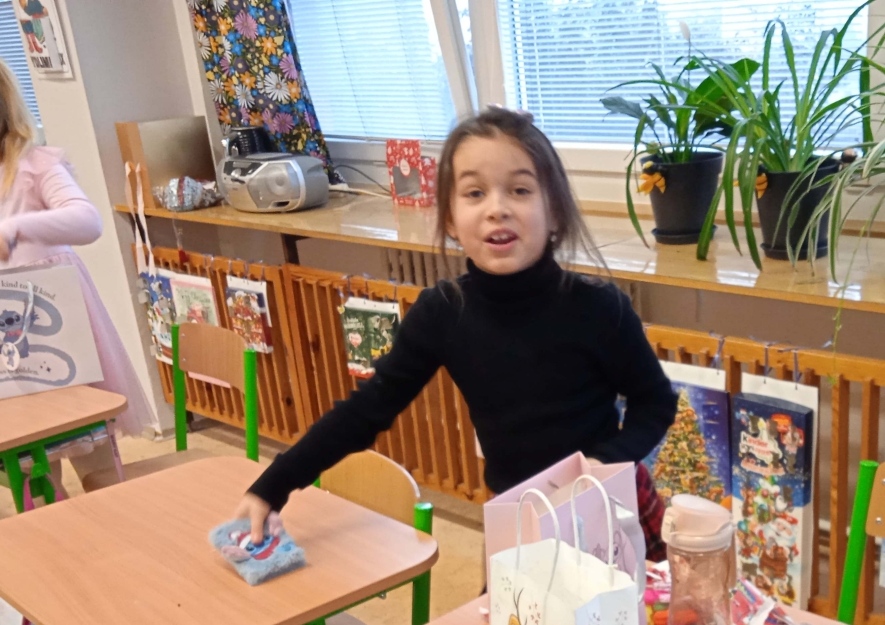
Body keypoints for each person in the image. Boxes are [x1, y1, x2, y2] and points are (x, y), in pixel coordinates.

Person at [236, 106, 677, 550]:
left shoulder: (600, 307)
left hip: (607, 501)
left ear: (556, 211)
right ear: (449, 219)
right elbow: (366, 410)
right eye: (475, 193)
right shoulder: (442, 312)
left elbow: (655, 401)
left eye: (520, 190)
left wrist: (604, 463)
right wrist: (272, 485)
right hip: (518, 511)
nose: (497, 209)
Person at [0, 49, 157, 487]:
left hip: (57, 330)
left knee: (96, 463)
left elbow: (88, 221)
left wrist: (14, 229)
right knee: (32, 475)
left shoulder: (34, 167)